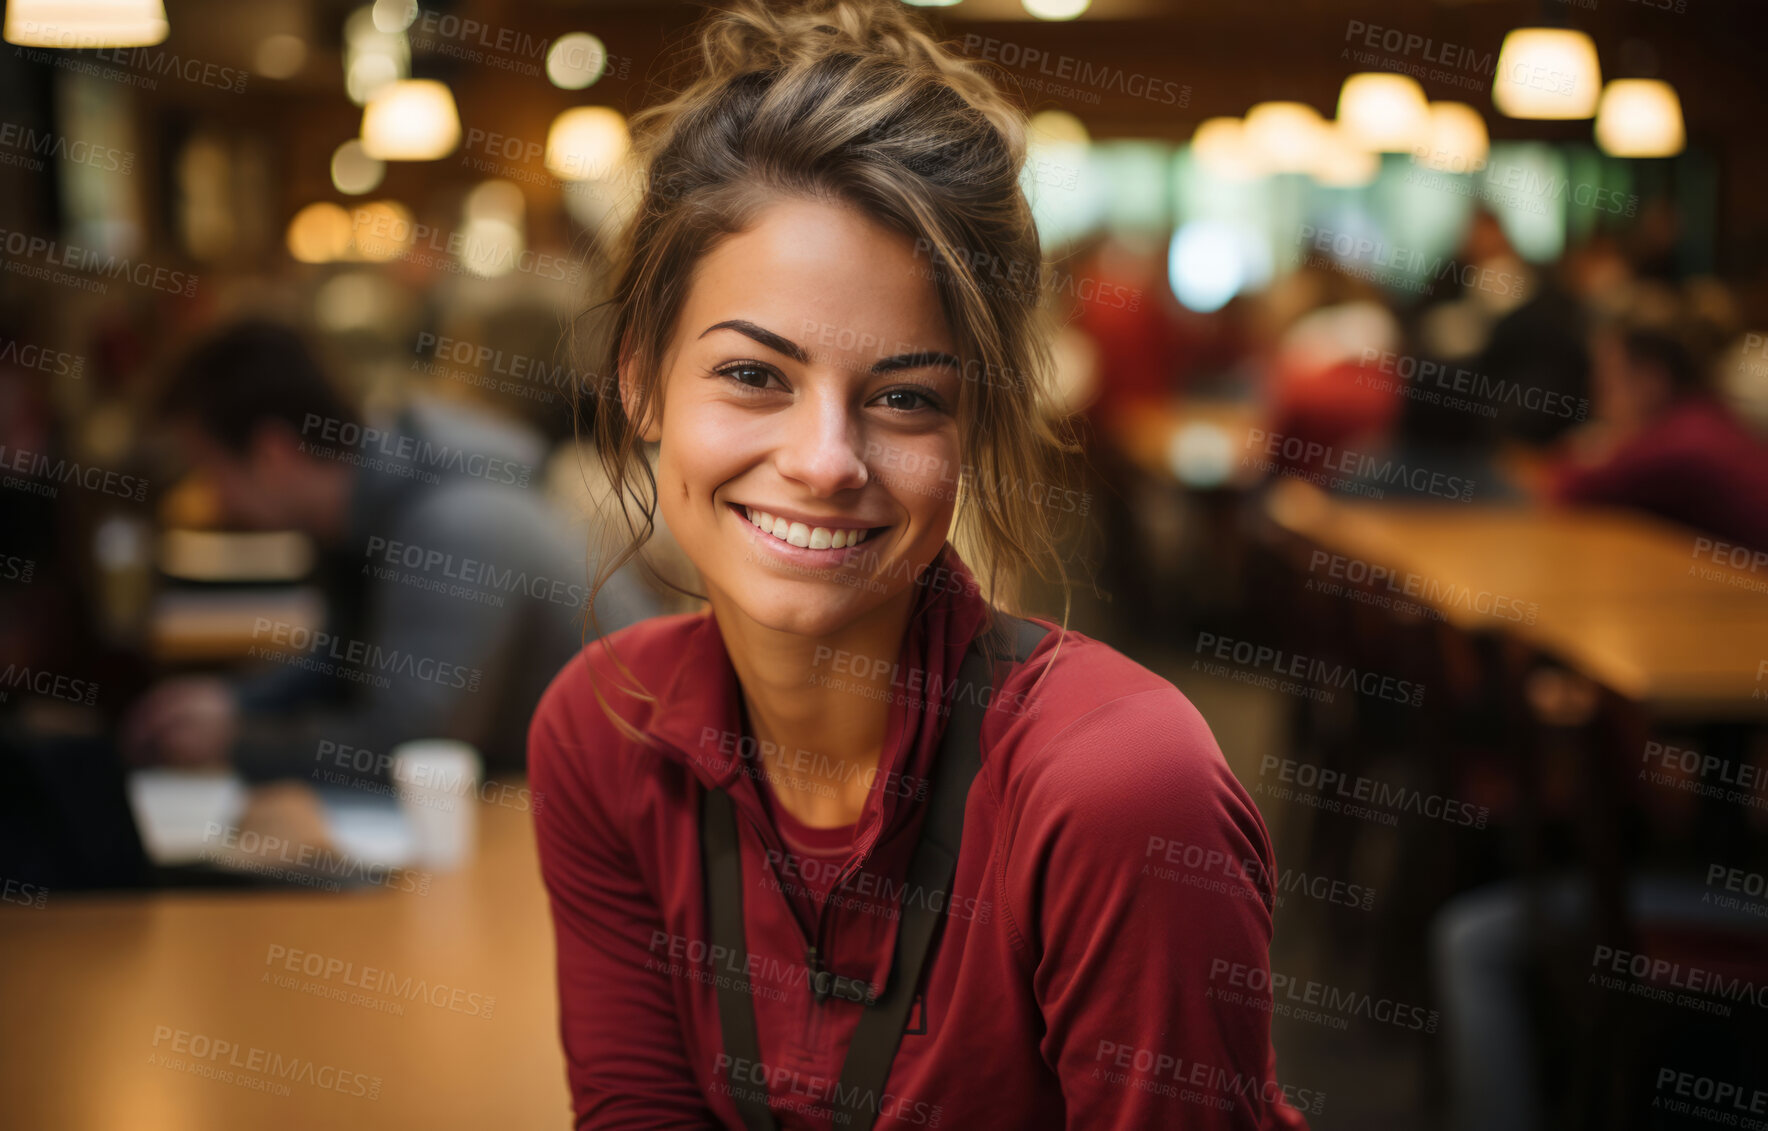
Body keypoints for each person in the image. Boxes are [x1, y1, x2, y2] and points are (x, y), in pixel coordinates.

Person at [527, 2, 1311, 1128]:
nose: (825, 460)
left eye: (904, 399)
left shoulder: (1118, 793)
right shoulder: (603, 733)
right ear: (642, 378)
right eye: (755, 376)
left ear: (973, 431)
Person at [122, 320, 658, 785]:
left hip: (623, 825)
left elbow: (410, 748)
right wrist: (234, 706)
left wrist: (236, 744)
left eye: (209, 472)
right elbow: (347, 660)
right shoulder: (378, 505)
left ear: (272, 453)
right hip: (531, 805)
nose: (210, 500)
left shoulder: (455, 524)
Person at [1549, 322, 1768, 551]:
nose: (1595, 392)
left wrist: (1594, 449)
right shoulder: (1701, 415)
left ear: (1650, 382)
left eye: (1608, 380)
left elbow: (1568, 492)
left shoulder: (1681, 444)